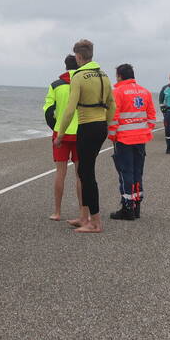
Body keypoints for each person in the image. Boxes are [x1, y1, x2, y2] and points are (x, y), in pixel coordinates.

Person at [54, 39, 115, 234]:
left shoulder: (79, 76)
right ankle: (83, 217)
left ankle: (95, 223)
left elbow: (70, 109)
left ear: (79, 57)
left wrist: (60, 134)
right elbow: (112, 104)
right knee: (84, 172)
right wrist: (107, 125)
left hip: (87, 127)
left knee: (87, 175)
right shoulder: (104, 75)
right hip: (100, 126)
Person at [108, 64, 156, 220]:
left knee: (125, 173)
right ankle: (136, 206)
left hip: (124, 139)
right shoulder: (145, 92)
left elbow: (114, 117)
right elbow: (152, 116)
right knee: (137, 172)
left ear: (120, 76)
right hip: (141, 138)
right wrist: (144, 130)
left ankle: (127, 208)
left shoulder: (118, 92)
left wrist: (112, 135)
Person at [43, 55, 82, 221]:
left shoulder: (55, 85)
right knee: (80, 175)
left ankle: (57, 212)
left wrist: (56, 126)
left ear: (65, 66)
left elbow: (48, 110)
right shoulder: (83, 83)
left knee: (60, 173)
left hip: (61, 133)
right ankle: (82, 213)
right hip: (80, 133)